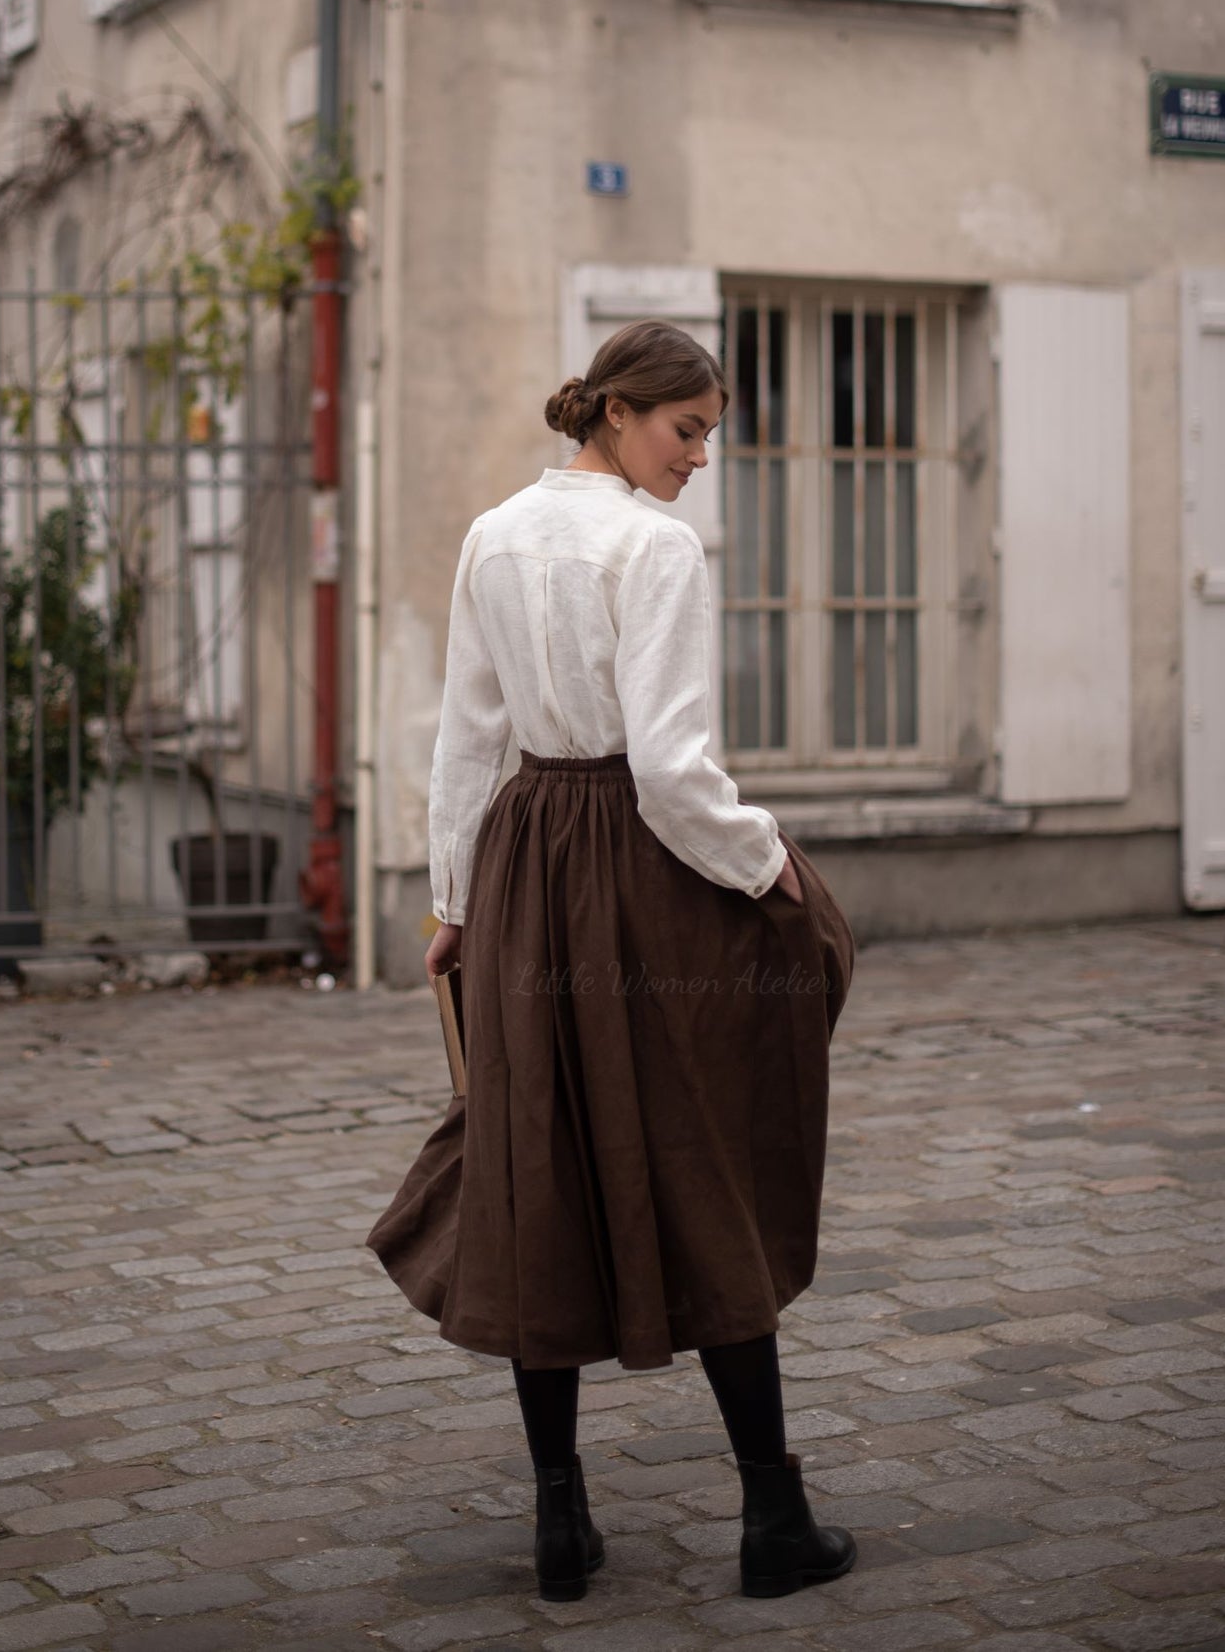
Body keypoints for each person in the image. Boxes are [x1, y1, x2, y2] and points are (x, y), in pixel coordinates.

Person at [366, 319, 858, 1603]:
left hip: (527, 867)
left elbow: (466, 742)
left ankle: (558, 1527)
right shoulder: (654, 546)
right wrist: (774, 870)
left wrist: (455, 902)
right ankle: (771, 1519)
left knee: (540, 1163)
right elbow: (673, 774)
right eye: (685, 430)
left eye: (707, 436)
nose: (698, 458)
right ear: (618, 412)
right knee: (703, 1152)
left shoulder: (493, 532)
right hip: (640, 877)